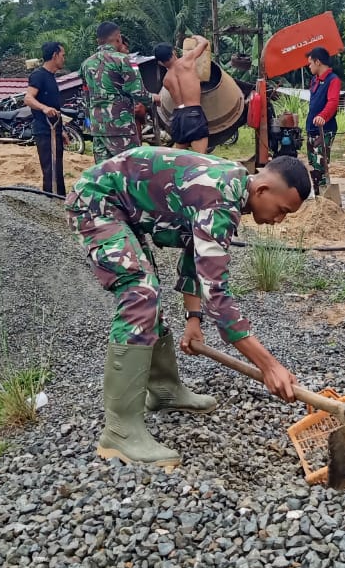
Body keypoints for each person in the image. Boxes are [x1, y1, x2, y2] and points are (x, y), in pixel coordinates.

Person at [66, 148, 311, 468]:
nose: (279, 220)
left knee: (146, 292)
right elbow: (218, 297)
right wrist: (269, 365)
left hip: (120, 207)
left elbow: (195, 252)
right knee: (140, 294)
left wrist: (193, 319)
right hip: (97, 203)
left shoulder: (233, 187)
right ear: (262, 190)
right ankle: (120, 432)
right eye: (282, 210)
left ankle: (165, 390)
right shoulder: (221, 198)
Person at [79, 21, 152, 164]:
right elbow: (138, 92)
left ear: (98, 40)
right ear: (118, 38)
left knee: (103, 173)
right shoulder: (127, 60)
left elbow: (86, 96)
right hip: (120, 127)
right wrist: (153, 99)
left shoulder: (86, 64)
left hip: (98, 128)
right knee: (129, 170)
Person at [25, 41, 67, 196]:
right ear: (54, 55)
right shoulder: (38, 75)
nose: (64, 59)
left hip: (54, 129)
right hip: (44, 130)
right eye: (63, 55)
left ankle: (60, 199)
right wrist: (44, 108)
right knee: (50, 170)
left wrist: (61, 131)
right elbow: (28, 99)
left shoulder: (51, 77)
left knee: (58, 168)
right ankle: (50, 200)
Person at [154, 40, 211, 153]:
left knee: (179, 158)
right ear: (174, 52)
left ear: (160, 62)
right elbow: (204, 43)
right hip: (193, 113)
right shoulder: (187, 60)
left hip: (178, 117)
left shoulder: (166, 80)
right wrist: (195, 37)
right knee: (201, 158)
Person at [305, 46, 341, 191]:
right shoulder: (314, 80)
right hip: (312, 128)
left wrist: (322, 116)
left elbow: (332, 102)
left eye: (310, 63)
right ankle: (318, 197)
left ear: (317, 62)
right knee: (313, 165)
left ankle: (325, 198)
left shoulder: (333, 80)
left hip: (325, 129)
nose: (309, 66)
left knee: (321, 164)